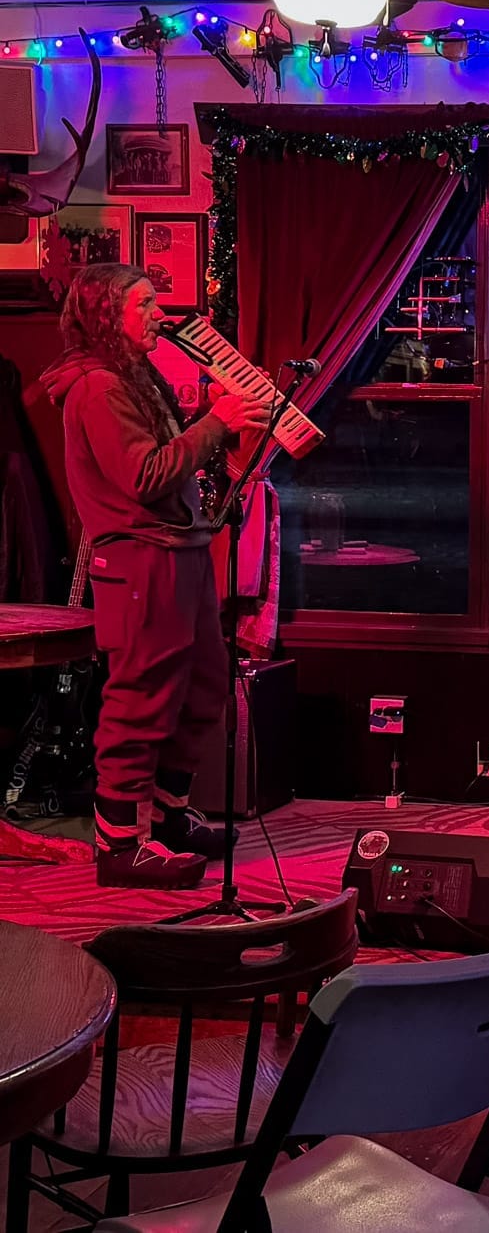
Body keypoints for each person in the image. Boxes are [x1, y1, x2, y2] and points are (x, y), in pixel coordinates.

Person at [40, 265, 269, 888]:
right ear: (109, 315)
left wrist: (228, 414)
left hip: (180, 549)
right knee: (141, 695)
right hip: (142, 557)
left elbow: (172, 452)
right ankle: (118, 846)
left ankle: (166, 818)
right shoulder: (95, 388)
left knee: (202, 686)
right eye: (144, 304)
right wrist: (217, 420)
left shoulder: (133, 376)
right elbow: (143, 475)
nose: (159, 314)